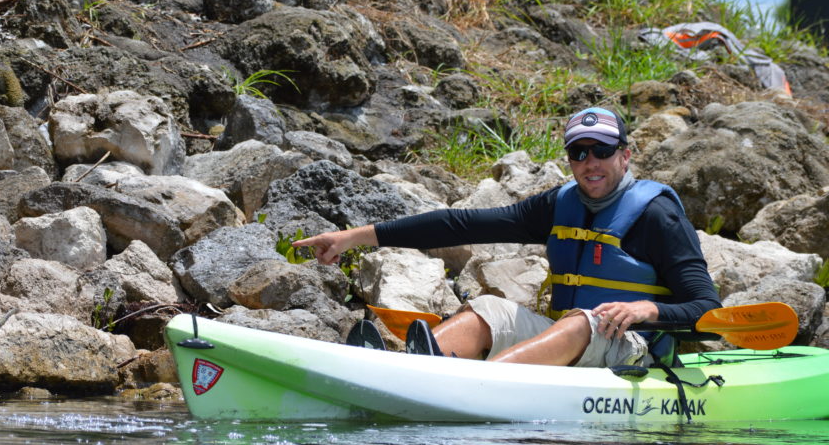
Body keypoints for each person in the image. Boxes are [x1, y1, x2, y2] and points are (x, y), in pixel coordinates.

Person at [293, 107, 721, 368]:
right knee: (488, 309)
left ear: (625, 155)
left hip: (635, 353)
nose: (591, 162)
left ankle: (480, 385)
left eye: (603, 150)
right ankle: (413, 372)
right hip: (569, 344)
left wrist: (648, 309)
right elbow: (462, 224)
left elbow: (707, 313)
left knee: (582, 321)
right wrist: (355, 237)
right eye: (579, 152)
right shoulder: (560, 204)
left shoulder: (658, 217)